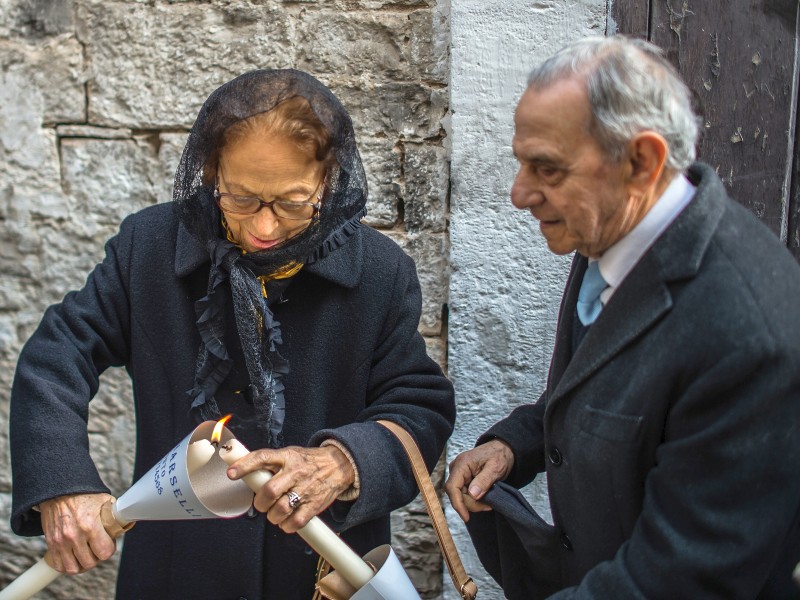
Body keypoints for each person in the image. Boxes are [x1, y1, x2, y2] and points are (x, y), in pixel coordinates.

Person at [10, 69, 455, 600]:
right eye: (240, 198)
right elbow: (60, 354)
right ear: (210, 171)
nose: (263, 229)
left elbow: (419, 408)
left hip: (319, 571)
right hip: (178, 569)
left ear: (328, 179)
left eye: (292, 202)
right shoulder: (146, 249)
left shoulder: (382, 274)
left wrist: (342, 461)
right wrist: (64, 484)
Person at [445, 36, 800, 599]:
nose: (519, 194)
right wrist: (516, 444)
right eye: (521, 163)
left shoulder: (748, 334)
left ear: (642, 162)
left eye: (547, 169)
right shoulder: (608, 235)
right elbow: (605, 395)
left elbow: (680, 579)